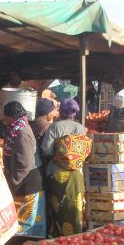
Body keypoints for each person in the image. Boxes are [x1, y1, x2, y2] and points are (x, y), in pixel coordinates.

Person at [40, 99, 87, 236]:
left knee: (58, 205)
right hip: (76, 172)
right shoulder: (80, 128)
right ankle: (76, 232)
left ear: (61, 112)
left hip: (57, 173)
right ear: (74, 113)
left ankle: (58, 234)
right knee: (75, 204)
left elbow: (46, 150)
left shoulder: (55, 127)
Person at [2, 101, 46, 237]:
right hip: (25, 178)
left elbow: (25, 162)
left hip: (28, 179)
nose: (3, 118)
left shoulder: (21, 132)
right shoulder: (17, 128)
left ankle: (26, 243)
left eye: (5, 116)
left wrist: (14, 180)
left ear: (11, 116)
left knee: (27, 219)